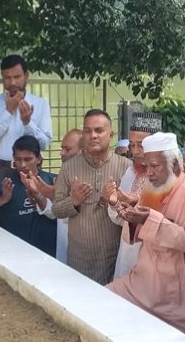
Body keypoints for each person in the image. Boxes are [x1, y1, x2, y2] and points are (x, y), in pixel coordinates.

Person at [108, 132, 185, 338]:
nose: (149, 173)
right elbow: (137, 232)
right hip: (141, 284)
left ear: (174, 164)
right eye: (146, 166)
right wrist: (131, 215)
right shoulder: (151, 188)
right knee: (104, 299)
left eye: (154, 166)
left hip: (174, 296)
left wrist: (148, 219)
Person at [52, 109, 131, 284]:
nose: (93, 135)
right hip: (79, 258)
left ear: (111, 135)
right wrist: (73, 202)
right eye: (88, 131)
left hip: (113, 257)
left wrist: (112, 201)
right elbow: (56, 209)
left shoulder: (126, 167)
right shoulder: (69, 168)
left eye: (99, 130)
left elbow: (132, 213)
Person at [0, 135, 57, 256]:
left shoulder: (52, 181)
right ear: (13, 159)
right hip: (13, 253)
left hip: (49, 255)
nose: (23, 165)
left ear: (38, 159)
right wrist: (2, 199)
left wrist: (50, 193)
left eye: (28, 159)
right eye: (18, 159)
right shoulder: (5, 183)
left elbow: (68, 212)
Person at [0, 54, 52, 185]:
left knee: (31, 198)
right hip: (0, 168)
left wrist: (27, 123)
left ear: (26, 76)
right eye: (7, 77)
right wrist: (8, 112)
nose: (12, 82)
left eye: (17, 77)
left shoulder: (40, 104)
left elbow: (45, 144)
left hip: (30, 169)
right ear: (2, 77)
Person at [106, 112, 162, 280]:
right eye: (132, 145)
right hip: (128, 253)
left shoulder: (169, 176)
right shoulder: (131, 171)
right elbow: (121, 220)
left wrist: (137, 202)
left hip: (155, 257)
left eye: (141, 145)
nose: (135, 152)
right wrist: (114, 202)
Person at [54, 128, 84, 264]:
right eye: (62, 148)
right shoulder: (63, 175)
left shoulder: (93, 176)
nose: (62, 153)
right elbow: (55, 211)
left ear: (82, 151)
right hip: (64, 252)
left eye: (67, 149)